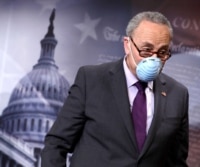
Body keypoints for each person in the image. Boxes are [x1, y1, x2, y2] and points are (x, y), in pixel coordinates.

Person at [41, 11, 189, 167]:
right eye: (146, 50)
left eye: (162, 52)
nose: (154, 59)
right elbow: (56, 145)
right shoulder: (91, 79)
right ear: (127, 45)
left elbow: (177, 162)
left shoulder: (178, 95)